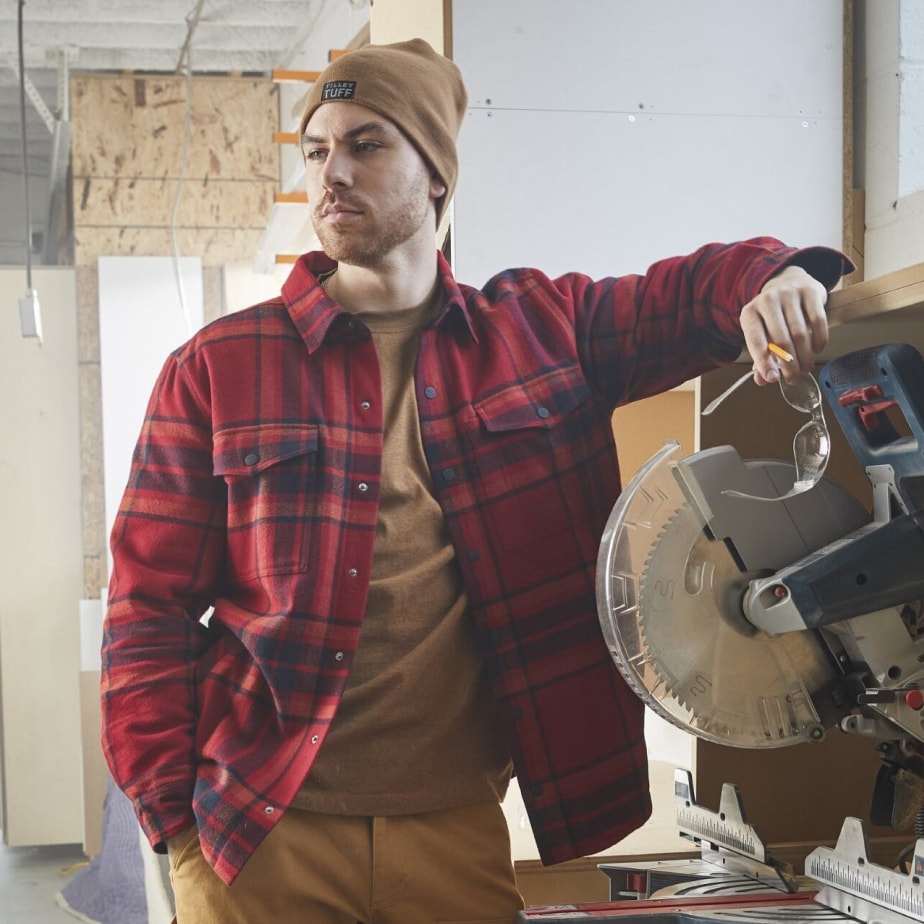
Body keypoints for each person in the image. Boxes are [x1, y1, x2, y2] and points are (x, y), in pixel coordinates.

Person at [100, 38, 852, 924]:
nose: (331, 173)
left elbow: (689, 291)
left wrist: (778, 277)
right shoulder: (217, 367)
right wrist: (169, 817)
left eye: (367, 145)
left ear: (438, 177)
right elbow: (145, 607)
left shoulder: (543, 332)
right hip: (263, 833)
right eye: (316, 149)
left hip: (454, 827)